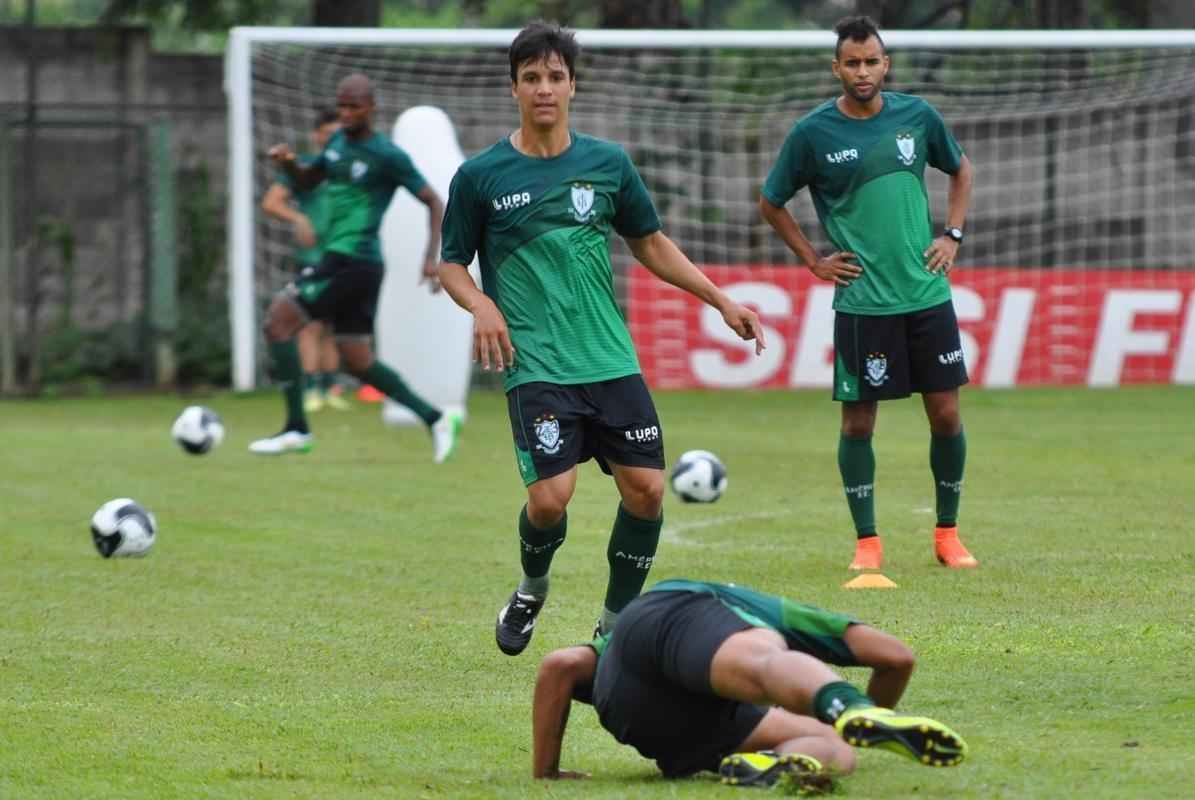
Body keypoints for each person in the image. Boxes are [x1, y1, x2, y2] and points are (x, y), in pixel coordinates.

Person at [437, 23, 765, 656]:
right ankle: (533, 586)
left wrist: (720, 299)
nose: (544, 88)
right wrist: (480, 304)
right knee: (551, 499)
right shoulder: (481, 176)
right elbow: (451, 262)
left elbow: (650, 243)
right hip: (535, 362)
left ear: (573, 86)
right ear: (514, 89)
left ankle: (615, 628)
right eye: (531, 77)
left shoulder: (607, 163)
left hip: (609, 358)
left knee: (645, 492)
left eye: (555, 77)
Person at [759, 16, 978, 571]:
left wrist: (951, 234)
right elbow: (771, 201)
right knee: (858, 424)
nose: (862, 71)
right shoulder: (813, 133)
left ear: (886, 65)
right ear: (837, 68)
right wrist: (812, 259)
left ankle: (948, 534)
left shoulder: (917, 116)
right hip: (863, 302)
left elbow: (961, 169)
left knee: (947, 414)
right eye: (852, 62)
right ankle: (868, 543)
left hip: (926, 294)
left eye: (871, 61)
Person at [532, 578, 968, 789]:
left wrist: (546, 771)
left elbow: (559, 666)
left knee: (835, 750)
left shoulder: (609, 652)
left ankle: (777, 765)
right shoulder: (760, 609)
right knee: (765, 660)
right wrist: (865, 710)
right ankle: (847, 705)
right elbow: (897, 657)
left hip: (645, 718)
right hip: (670, 616)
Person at [255, 73, 462, 462]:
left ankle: (297, 428)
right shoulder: (336, 143)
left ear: (371, 108)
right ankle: (436, 419)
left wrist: (432, 257)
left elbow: (435, 201)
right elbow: (308, 179)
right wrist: (289, 164)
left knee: (278, 322)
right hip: (352, 263)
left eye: (354, 106)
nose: (346, 113)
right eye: (342, 106)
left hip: (352, 261)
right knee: (357, 360)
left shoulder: (387, 155)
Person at [260, 108, 349, 414]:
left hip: (343, 258)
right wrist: (298, 218)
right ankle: (311, 389)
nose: (334, 138)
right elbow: (271, 202)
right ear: (317, 135)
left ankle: (329, 388)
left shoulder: (351, 168)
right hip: (312, 258)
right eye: (329, 132)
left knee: (331, 325)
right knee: (309, 325)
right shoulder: (306, 168)